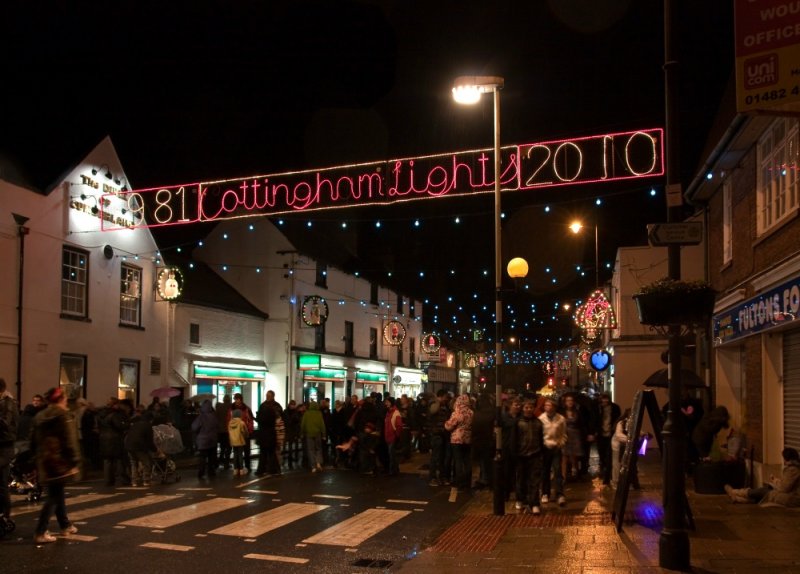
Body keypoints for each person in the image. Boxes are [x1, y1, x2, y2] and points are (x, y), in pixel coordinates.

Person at [31, 387, 81, 544]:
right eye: (65, 398)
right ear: (61, 399)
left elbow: (32, 440)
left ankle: (65, 525)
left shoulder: (39, 416)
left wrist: (35, 458)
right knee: (53, 496)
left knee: (57, 492)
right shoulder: (63, 416)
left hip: (45, 460)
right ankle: (40, 530)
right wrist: (74, 461)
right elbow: (69, 440)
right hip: (59, 460)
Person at [725, 447, 800, 507]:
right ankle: (739, 499)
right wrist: (776, 481)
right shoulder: (794, 468)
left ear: (787, 459)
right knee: (765, 493)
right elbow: (787, 484)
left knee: (764, 491)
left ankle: (736, 492)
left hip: (793, 499)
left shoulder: (792, 470)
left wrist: (775, 483)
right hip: (792, 496)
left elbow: (784, 488)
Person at [514, 399, 545, 514]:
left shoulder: (538, 422)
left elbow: (541, 438)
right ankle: (521, 499)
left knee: (534, 480)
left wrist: (541, 452)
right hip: (521, 455)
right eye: (526, 407)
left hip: (535, 454)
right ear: (523, 409)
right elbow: (515, 439)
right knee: (521, 479)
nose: (528, 409)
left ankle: (534, 503)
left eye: (531, 407)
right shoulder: (518, 422)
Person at [539, 397, 567, 506]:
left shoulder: (560, 419)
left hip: (556, 447)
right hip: (545, 447)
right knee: (545, 471)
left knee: (557, 470)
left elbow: (563, 433)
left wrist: (561, 443)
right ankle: (545, 493)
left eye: (550, 405)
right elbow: (540, 434)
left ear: (554, 407)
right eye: (546, 405)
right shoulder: (541, 419)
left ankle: (559, 494)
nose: (548, 407)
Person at [0, 378, 18, 535]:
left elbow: (6, 424)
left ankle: (4, 517)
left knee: (1, 484)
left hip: (4, 447)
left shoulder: (9, 403)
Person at [444, 394, 473, 491]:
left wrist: (446, 424)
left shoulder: (457, 412)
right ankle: (467, 482)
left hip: (457, 439)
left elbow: (449, 426)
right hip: (468, 439)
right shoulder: (471, 413)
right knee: (467, 461)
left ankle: (459, 482)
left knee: (458, 461)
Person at [427, 389, 452, 486]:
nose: (447, 399)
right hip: (436, 434)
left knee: (442, 457)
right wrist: (438, 401)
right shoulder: (434, 403)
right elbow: (433, 411)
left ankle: (442, 477)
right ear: (441, 396)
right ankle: (432, 478)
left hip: (443, 434)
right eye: (445, 396)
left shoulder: (445, 405)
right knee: (435, 457)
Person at [125, 409, 156, 487]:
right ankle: (146, 480)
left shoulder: (135, 424)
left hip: (129, 445)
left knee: (133, 464)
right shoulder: (148, 426)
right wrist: (155, 450)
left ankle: (134, 481)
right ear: (151, 420)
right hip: (139, 446)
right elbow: (149, 441)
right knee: (146, 463)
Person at [595, 393, 621, 485]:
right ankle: (604, 470)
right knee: (602, 453)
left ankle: (608, 475)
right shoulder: (598, 408)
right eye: (603, 399)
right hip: (601, 434)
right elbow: (595, 419)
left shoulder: (615, 408)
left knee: (609, 455)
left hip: (611, 434)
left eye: (606, 399)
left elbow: (618, 419)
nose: (604, 401)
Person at [191, 399, 218, 479]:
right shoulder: (214, 416)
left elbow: (194, 427)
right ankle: (211, 471)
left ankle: (201, 472)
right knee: (211, 457)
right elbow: (217, 426)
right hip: (212, 440)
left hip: (203, 441)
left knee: (202, 457)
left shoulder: (201, 417)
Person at [228, 393, 255, 472]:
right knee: (237, 452)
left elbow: (250, 420)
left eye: (238, 399)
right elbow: (228, 420)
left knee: (246, 451)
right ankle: (238, 468)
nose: (237, 400)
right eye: (235, 399)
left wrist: (250, 430)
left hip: (244, 432)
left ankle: (246, 466)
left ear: (241, 399)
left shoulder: (246, 408)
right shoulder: (231, 408)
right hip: (235, 433)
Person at [301, 401, 326, 473]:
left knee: (311, 450)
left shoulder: (306, 413)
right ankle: (318, 463)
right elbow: (322, 425)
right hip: (318, 434)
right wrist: (324, 434)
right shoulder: (319, 413)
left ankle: (313, 466)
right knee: (318, 449)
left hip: (309, 434)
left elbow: (303, 424)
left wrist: (302, 433)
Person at [383, 397, 403, 476]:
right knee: (391, 454)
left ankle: (392, 471)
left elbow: (399, 426)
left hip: (392, 436)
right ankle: (395, 470)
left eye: (387, 402)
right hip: (388, 436)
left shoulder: (395, 412)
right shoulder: (388, 412)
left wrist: (396, 435)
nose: (386, 403)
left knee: (392, 455)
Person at [228, 409, 248, 476]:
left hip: (233, 441)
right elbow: (244, 431)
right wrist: (246, 435)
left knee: (235, 455)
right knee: (240, 455)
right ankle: (241, 470)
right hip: (240, 440)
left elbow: (229, 432)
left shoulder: (230, 423)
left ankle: (235, 470)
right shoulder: (241, 423)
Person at [215, 395, 232, 469]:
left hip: (220, 430)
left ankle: (220, 460)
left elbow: (216, 418)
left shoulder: (219, 407)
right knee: (228, 447)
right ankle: (226, 463)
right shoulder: (231, 407)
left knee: (222, 447)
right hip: (228, 430)